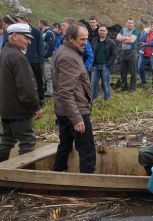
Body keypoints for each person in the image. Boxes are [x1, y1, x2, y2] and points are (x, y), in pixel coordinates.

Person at [51, 22, 96, 173]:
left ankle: (57, 175)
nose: (85, 42)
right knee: (87, 151)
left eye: (87, 39)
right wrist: (77, 119)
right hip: (76, 111)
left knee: (64, 145)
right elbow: (65, 91)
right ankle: (87, 187)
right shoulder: (69, 57)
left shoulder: (64, 50)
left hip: (65, 110)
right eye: (82, 39)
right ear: (70, 38)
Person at [0, 23, 42, 162]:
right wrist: (35, 106)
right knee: (28, 143)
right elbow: (26, 88)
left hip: (6, 109)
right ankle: (25, 180)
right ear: (15, 36)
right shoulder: (17, 56)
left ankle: (3, 177)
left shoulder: (5, 52)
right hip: (19, 110)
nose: (29, 41)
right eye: (26, 37)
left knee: (7, 141)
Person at [16, 12, 46, 106]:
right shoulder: (18, 31)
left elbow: (41, 47)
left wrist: (41, 62)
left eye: (19, 19)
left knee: (38, 81)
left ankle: (40, 100)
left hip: (34, 61)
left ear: (25, 20)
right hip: (22, 60)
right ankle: (27, 101)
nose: (17, 21)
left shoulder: (36, 31)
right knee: (25, 81)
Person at [91, 24, 116, 101]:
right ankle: (94, 98)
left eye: (103, 30)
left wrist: (108, 64)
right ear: (98, 31)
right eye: (100, 30)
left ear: (106, 31)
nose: (102, 32)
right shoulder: (94, 41)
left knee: (105, 83)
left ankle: (107, 99)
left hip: (105, 66)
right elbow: (91, 52)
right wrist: (91, 64)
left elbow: (114, 55)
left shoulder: (111, 42)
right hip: (95, 66)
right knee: (93, 83)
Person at [116, 18, 138, 91]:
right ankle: (124, 86)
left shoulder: (135, 31)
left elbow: (131, 41)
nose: (130, 24)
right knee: (123, 71)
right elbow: (117, 38)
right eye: (129, 23)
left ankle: (132, 88)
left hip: (132, 52)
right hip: (123, 52)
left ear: (133, 24)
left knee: (133, 71)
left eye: (131, 23)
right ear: (126, 23)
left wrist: (122, 39)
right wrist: (126, 37)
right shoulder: (123, 30)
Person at [138, 20, 153, 88]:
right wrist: (146, 33)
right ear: (149, 26)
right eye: (151, 26)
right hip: (143, 53)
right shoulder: (145, 32)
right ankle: (143, 82)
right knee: (140, 68)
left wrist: (145, 44)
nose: (152, 27)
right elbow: (141, 39)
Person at [39, 19, 56, 97]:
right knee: (44, 75)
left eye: (39, 23)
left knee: (48, 75)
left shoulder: (49, 32)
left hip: (48, 58)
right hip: (43, 58)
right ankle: (46, 90)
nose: (38, 24)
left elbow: (51, 45)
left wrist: (46, 55)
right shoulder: (43, 32)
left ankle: (50, 92)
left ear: (42, 23)